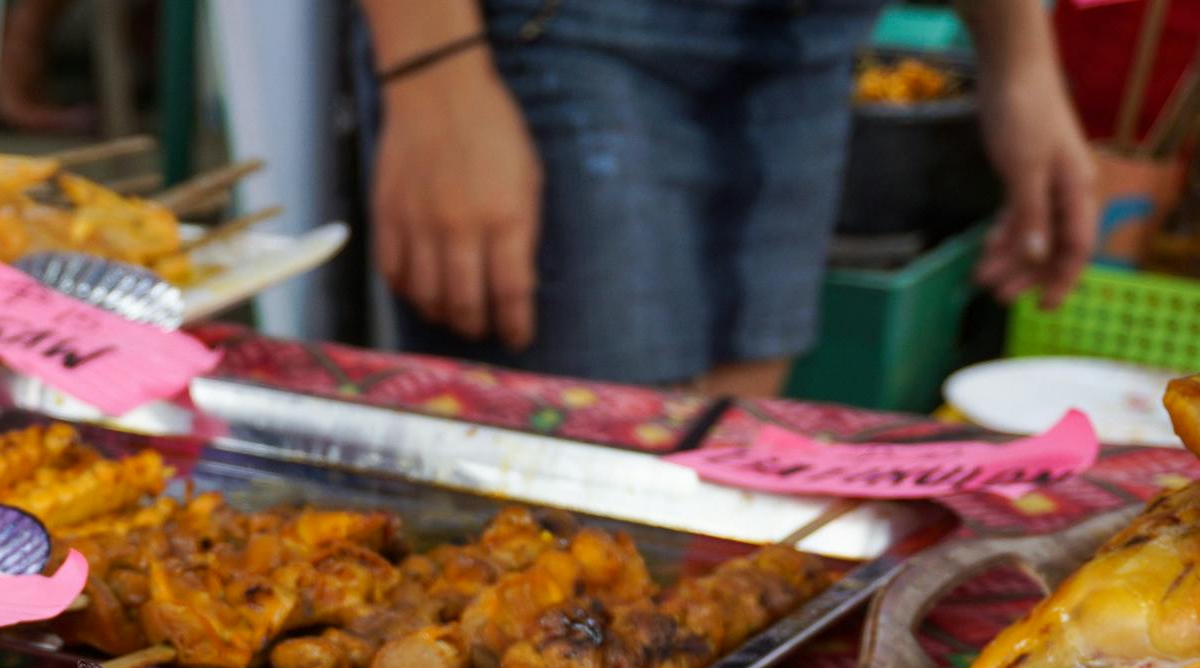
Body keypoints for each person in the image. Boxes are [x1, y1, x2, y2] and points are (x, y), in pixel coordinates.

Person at [357, 0, 1099, 393]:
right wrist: (433, 71)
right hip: (560, 26)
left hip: (812, 38)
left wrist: (1018, 57)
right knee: (567, 509)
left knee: (715, 485)